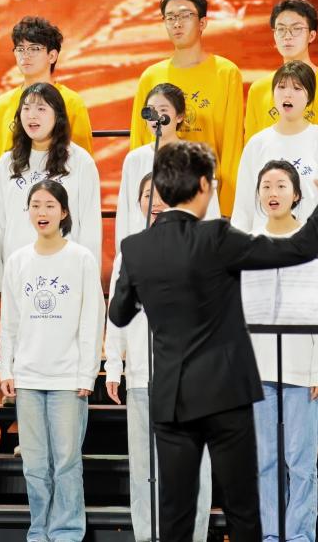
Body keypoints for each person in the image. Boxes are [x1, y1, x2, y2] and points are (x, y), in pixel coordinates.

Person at [109, 141, 318, 541]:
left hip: (170, 394)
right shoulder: (217, 236)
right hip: (225, 391)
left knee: (175, 504)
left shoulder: (136, 248)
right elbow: (297, 248)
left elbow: (119, 314)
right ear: (203, 186)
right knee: (242, 506)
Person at [106, 172, 213, 542]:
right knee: (144, 468)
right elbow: (116, 312)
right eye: (148, 195)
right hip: (142, 374)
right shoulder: (130, 251)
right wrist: (113, 365)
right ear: (139, 203)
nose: (157, 202)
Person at [0, 179, 105, 542]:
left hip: (67, 379)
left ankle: (67, 532)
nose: (41, 212)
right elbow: (9, 321)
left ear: (63, 212)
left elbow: (92, 318)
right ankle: (39, 531)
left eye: (49, 205)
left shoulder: (81, 259)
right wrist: (6, 367)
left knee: (66, 463)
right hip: (28, 378)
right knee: (34, 464)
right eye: (35, 205)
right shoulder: (18, 261)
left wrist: (87, 373)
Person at [249, 160, 318, 542]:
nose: (273, 193)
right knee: (265, 462)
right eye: (266, 186)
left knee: (300, 463)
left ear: (296, 195)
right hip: (258, 369)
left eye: (281, 185)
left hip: (301, 369)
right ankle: (270, 535)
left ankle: (299, 536)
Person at [128, 0, 244, 216]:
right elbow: (139, 141)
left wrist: (228, 207)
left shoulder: (225, 73)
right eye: (170, 17)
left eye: (184, 15)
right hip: (160, 200)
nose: (177, 23)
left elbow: (232, 145)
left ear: (202, 23)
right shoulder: (151, 76)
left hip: (206, 198)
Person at [0, 82, 101, 295]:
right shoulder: (7, 163)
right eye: (26, 108)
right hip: (18, 272)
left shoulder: (80, 162)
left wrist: (90, 277)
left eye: (41, 108)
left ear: (58, 116)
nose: (32, 115)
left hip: (67, 273)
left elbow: (90, 224)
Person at [244, 0, 318, 206]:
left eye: (296, 29)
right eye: (281, 29)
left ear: (311, 35)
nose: (287, 36)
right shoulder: (259, 90)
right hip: (270, 203)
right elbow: (251, 158)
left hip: (315, 201)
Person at [233, 61, 318, 259]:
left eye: (297, 88)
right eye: (281, 87)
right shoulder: (257, 144)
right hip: (265, 253)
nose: (287, 94)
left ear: (309, 96)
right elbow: (243, 209)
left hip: (313, 253)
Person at [0, 16, 94, 212]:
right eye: (20, 49)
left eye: (34, 48)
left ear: (52, 56)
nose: (25, 55)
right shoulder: (2, 104)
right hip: (12, 204)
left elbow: (83, 163)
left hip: (56, 208)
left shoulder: (71, 102)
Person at [116, 84, 220, 250]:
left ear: (179, 116)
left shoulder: (196, 158)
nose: (155, 117)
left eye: (163, 110)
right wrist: (124, 255)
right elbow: (124, 213)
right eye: (150, 111)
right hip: (142, 251)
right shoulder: (134, 159)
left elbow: (210, 213)